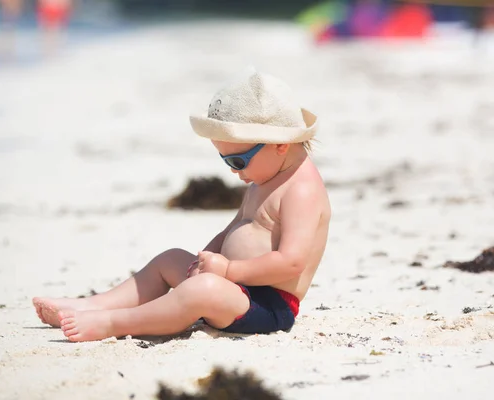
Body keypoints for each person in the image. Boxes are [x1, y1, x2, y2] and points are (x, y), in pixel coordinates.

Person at [32, 68, 331, 342]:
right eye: (224, 160)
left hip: (266, 305)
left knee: (201, 291)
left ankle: (114, 322)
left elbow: (291, 262)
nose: (232, 170)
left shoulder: (301, 190)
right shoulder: (265, 177)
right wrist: (208, 257)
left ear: (280, 145)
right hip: (232, 286)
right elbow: (234, 228)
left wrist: (228, 271)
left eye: (238, 160)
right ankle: (91, 304)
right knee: (170, 260)